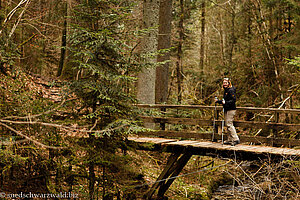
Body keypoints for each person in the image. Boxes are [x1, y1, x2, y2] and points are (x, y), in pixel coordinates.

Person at [215, 78, 240, 146]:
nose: (224, 84)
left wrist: (226, 102)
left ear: (229, 83)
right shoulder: (226, 90)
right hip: (226, 109)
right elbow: (224, 101)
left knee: (229, 124)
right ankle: (229, 139)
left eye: (226, 83)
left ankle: (235, 139)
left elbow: (233, 100)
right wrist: (218, 101)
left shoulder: (231, 90)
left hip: (231, 109)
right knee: (227, 124)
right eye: (223, 83)